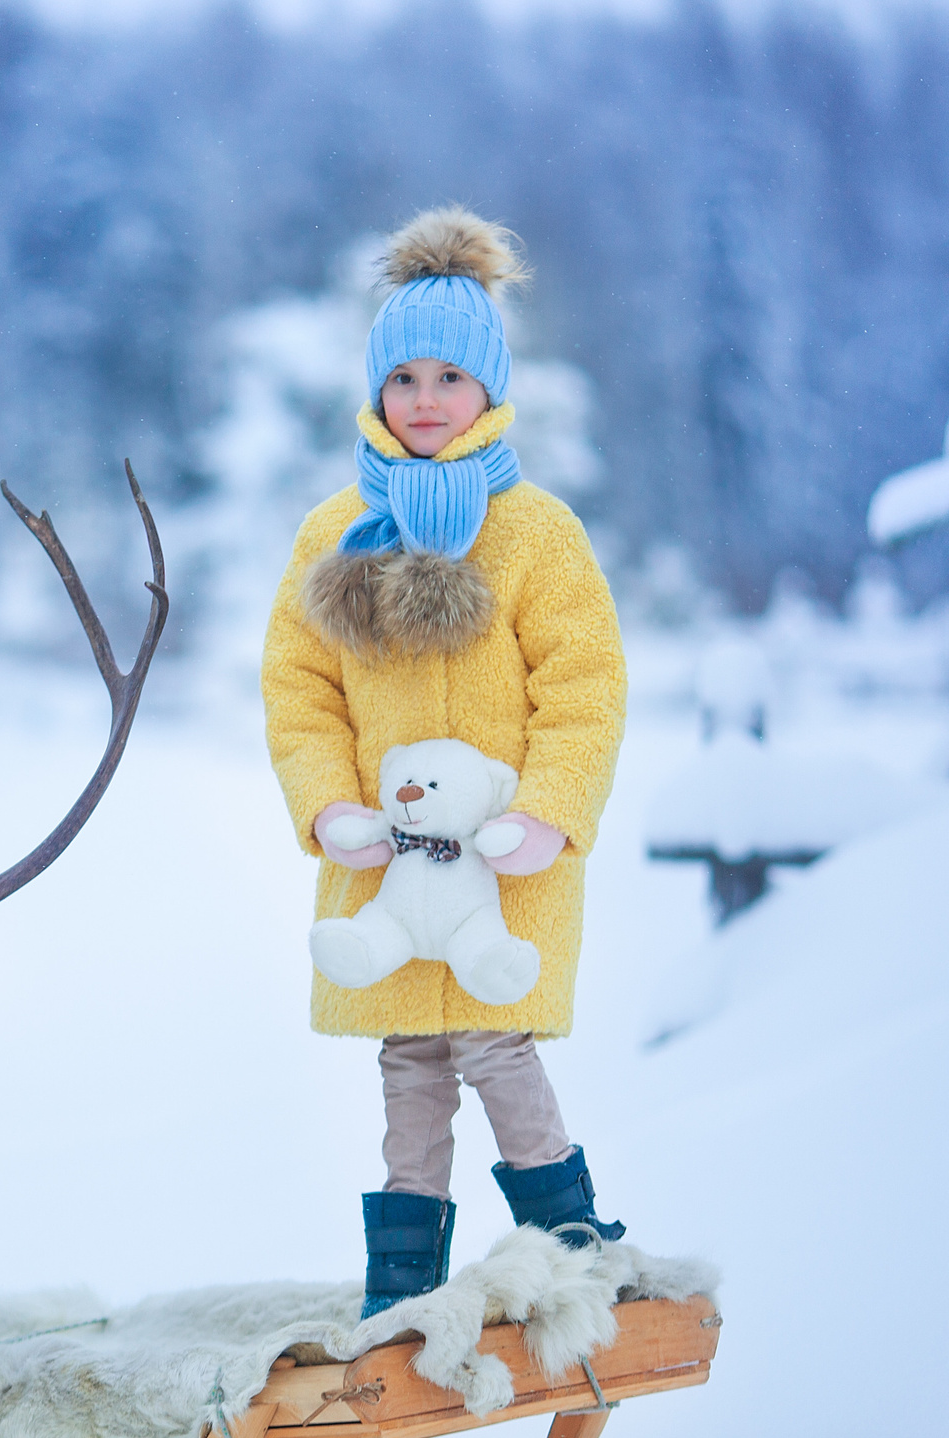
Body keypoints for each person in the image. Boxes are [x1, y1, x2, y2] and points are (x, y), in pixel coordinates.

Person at [261, 206, 630, 1317]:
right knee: (407, 1060)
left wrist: (552, 810)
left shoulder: (533, 534)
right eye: (404, 377)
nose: (424, 400)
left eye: (449, 379)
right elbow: (299, 686)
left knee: (493, 1042)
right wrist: (326, 805)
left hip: (501, 867)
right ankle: (402, 1277)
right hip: (388, 866)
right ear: (376, 392)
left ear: (490, 393)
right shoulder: (337, 529)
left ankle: (570, 1244)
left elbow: (584, 686)